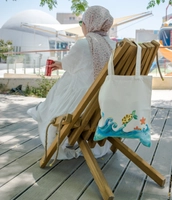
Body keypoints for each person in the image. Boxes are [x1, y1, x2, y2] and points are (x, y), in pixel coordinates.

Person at [27, 5, 116, 160]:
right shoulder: (114, 46)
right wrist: (63, 64)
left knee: (60, 91)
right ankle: (40, 110)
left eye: (83, 22)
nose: (82, 26)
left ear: (90, 23)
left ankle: (41, 111)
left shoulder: (84, 44)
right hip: (106, 108)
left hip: (82, 110)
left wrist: (61, 64)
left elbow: (71, 64)